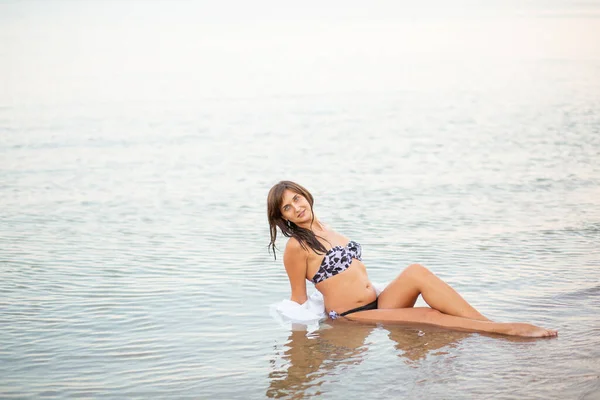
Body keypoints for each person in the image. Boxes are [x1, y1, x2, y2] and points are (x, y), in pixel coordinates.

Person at [267, 180, 558, 338]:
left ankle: (489, 325)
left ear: (306, 195)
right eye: (287, 208)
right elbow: (299, 299)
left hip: (379, 302)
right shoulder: (296, 246)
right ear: (283, 218)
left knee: (416, 271)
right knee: (428, 316)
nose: (296, 207)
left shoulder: (328, 227)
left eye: (297, 199)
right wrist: (303, 350)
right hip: (352, 316)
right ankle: (506, 330)